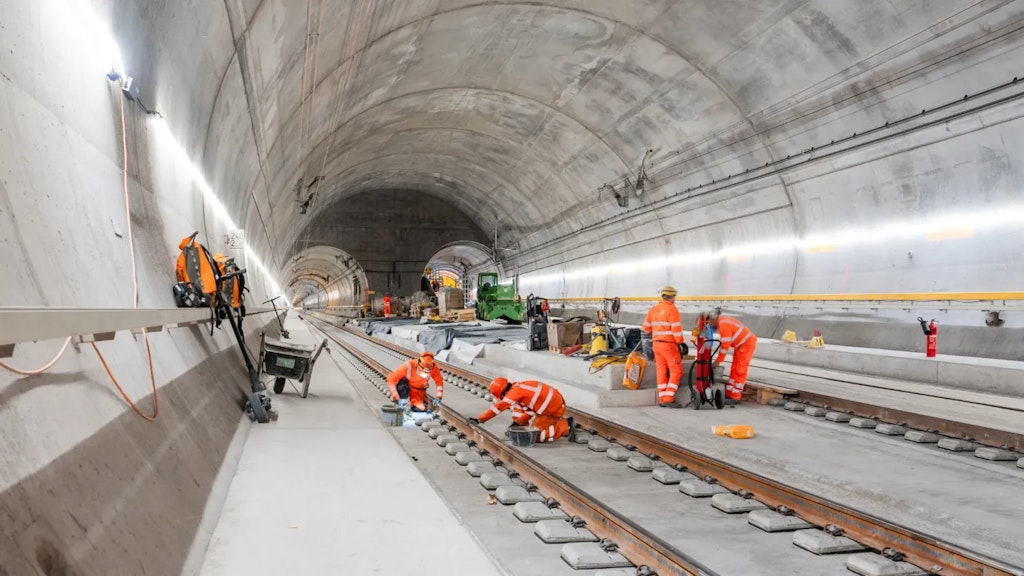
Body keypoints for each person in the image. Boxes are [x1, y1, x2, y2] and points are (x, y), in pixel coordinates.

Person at [469, 378, 577, 443]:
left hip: (552, 410)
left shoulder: (514, 394)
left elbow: (498, 408)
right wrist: (516, 423)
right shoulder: (519, 387)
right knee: (518, 409)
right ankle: (555, 423)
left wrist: (480, 420)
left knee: (534, 436)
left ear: (503, 393)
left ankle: (565, 426)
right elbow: (530, 411)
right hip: (552, 404)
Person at [642, 286, 687, 408]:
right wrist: (681, 342)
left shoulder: (653, 309)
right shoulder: (672, 309)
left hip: (656, 345)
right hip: (669, 346)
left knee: (661, 371)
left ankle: (662, 398)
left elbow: (646, 329)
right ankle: (668, 398)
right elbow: (676, 329)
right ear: (672, 297)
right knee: (676, 371)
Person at [702, 309, 757, 405]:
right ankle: (730, 394)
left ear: (713, 320)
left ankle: (735, 397)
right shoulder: (722, 321)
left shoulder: (723, 326)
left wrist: (718, 361)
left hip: (746, 344)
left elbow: (725, 346)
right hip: (741, 345)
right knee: (734, 369)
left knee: (740, 370)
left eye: (709, 323)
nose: (710, 325)